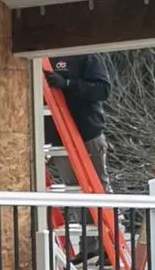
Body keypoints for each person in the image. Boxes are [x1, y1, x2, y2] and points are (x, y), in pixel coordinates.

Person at [44, 54, 113, 188]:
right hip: (59, 137)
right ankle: (78, 210)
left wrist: (68, 84)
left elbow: (103, 90)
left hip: (88, 134)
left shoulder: (87, 57)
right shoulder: (43, 59)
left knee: (97, 185)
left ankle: (104, 209)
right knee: (72, 188)